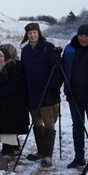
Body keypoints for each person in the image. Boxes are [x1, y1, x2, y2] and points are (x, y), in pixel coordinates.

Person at [63, 24, 88, 172]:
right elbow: (62, 68)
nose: (83, 38)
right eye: (81, 35)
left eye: (87, 35)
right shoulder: (69, 48)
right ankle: (79, 157)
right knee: (77, 127)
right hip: (74, 95)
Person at [20, 23, 60, 167]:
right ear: (27, 35)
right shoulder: (24, 50)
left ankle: (48, 156)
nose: (32, 35)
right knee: (36, 122)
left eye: (35, 33)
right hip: (32, 92)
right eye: (30, 33)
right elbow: (23, 71)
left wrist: (53, 89)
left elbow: (55, 70)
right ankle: (41, 151)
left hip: (46, 91)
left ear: (39, 33)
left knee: (49, 122)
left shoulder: (48, 47)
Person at [0, 47, 29, 158]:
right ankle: (8, 149)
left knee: (9, 126)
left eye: (0, 56)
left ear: (6, 56)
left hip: (12, 102)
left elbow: (14, 84)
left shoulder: (13, 68)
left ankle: (9, 151)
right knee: (3, 126)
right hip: (2, 104)